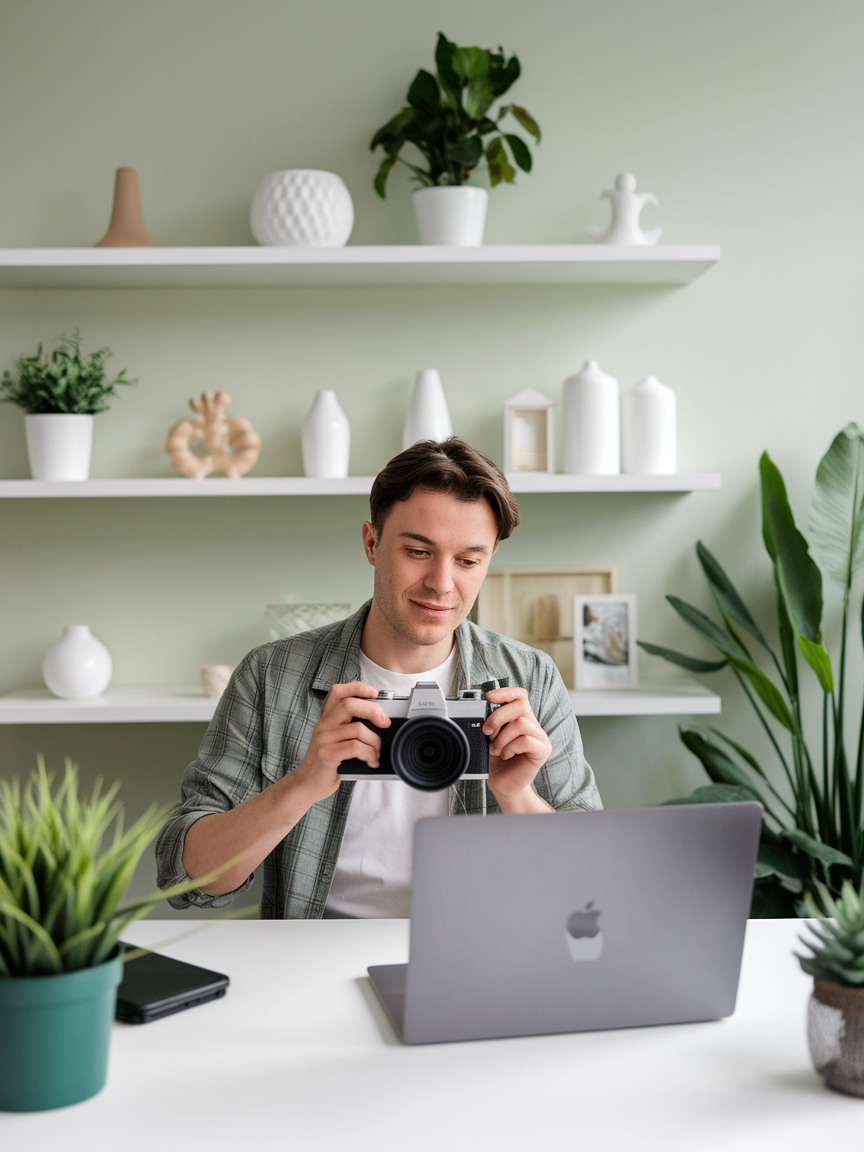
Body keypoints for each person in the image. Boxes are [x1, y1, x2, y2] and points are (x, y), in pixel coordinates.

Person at [156, 438, 601, 918]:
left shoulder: (527, 676)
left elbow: (588, 883)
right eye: (417, 551)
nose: (442, 583)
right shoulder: (271, 675)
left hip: (480, 955)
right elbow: (186, 878)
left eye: (469, 561)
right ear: (371, 543)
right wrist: (304, 783)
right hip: (315, 957)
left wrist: (517, 795)